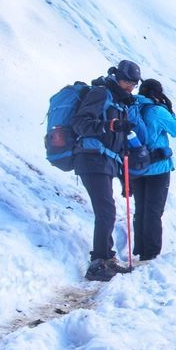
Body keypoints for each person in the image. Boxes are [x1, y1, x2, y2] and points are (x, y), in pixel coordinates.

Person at [71, 60, 142, 281]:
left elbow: (118, 142)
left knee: (107, 210)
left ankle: (106, 257)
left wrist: (124, 177)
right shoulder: (101, 94)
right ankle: (97, 263)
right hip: (91, 159)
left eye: (133, 84)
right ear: (116, 77)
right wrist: (108, 125)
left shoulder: (121, 103)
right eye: (127, 82)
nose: (130, 87)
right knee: (106, 210)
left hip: (106, 162)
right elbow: (79, 123)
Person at [129, 78, 176, 262]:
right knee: (153, 210)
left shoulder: (132, 108)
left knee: (141, 208)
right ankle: (150, 252)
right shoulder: (158, 111)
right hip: (158, 167)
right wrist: (169, 110)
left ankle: (140, 247)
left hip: (136, 166)